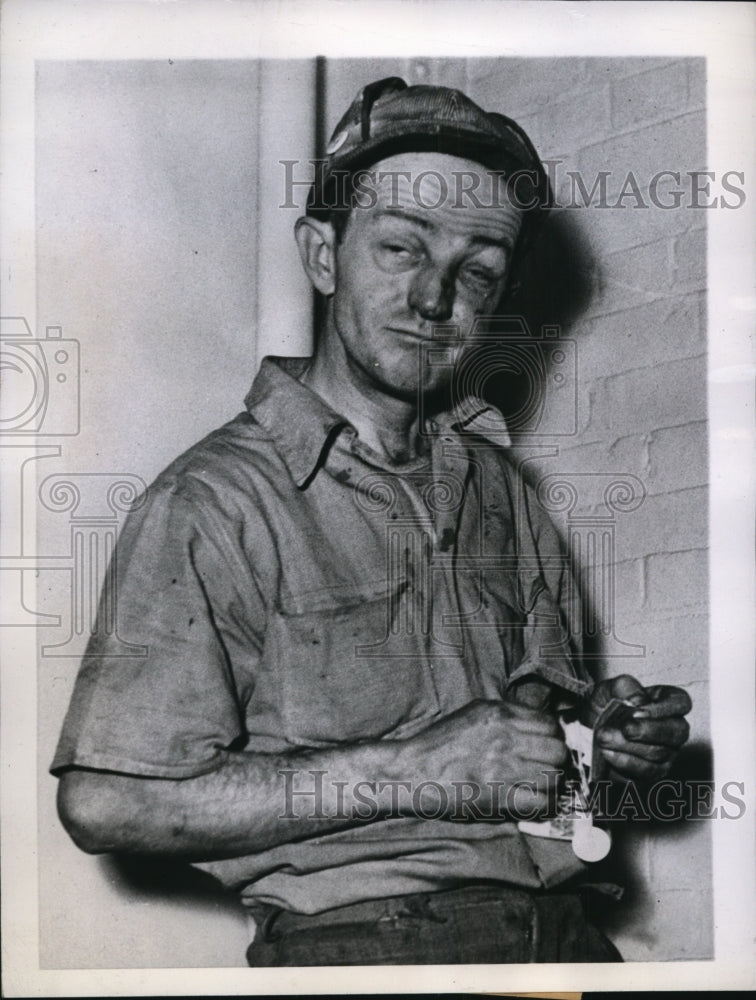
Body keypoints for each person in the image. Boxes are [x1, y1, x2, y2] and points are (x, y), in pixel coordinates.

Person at [52, 77, 691, 966]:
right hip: (367, 952)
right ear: (324, 256)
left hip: (569, 942)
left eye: (479, 270)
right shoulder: (215, 501)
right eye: (400, 247)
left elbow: (537, 764)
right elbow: (106, 802)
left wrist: (601, 744)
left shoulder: (504, 493)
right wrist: (416, 768)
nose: (436, 298)